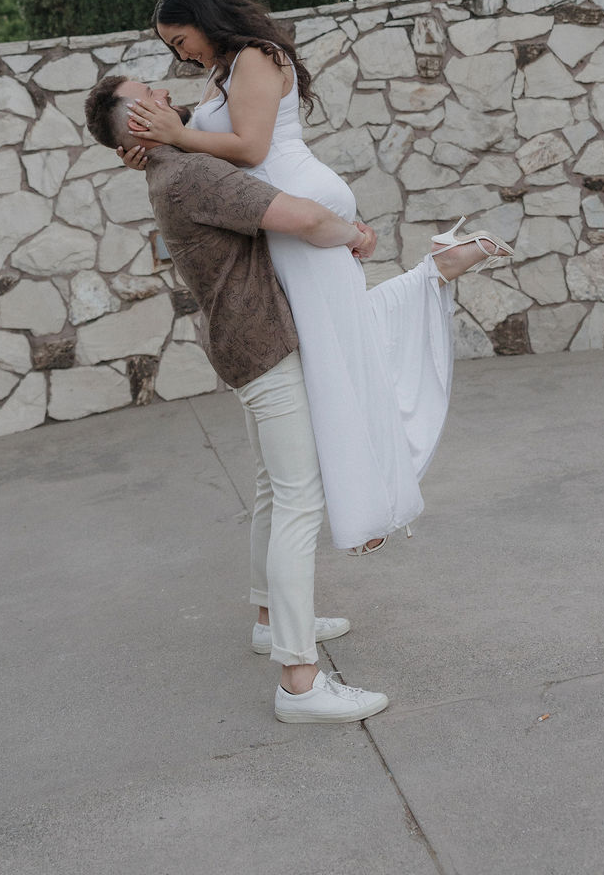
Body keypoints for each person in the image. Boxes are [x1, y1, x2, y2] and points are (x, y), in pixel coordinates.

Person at [120, 0, 511, 556]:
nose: (181, 54)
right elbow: (213, 140)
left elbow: (250, 149)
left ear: (204, 18)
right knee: (337, 341)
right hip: (280, 211)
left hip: (293, 205)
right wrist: (157, 144)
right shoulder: (222, 71)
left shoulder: (256, 57)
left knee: (332, 353)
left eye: (181, 40)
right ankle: (439, 270)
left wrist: (177, 132)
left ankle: (370, 504)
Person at [84, 73, 389, 724]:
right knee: (299, 501)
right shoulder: (191, 174)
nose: (165, 92)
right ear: (138, 122)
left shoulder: (167, 167)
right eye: (151, 94)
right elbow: (303, 218)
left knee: (275, 490)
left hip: (241, 343)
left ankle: (268, 619)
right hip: (264, 345)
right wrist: (355, 235)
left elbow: (208, 130)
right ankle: (300, 683)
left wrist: (154, 138)